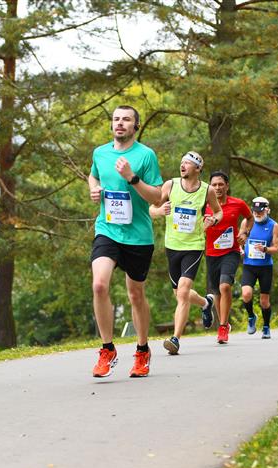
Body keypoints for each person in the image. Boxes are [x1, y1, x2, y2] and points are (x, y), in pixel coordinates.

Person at [88, 105, 163, 378]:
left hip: (138, 235)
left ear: (135, 126)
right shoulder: (100, 153)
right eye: (116, 119)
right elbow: (93, 175)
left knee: (135, 294)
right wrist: (94, 189)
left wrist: (132, 177)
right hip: (107, 229)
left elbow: (157, 197)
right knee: (99, 285)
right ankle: (107, 349)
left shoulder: (146, 155)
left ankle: (142, 350)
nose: (120, 123)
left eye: (126, 120)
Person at [151, 152, 222, 355]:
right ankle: (206, 303)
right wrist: (159, 211)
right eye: (181, 162)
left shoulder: (207, 190)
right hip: (172, 246)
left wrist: (213, 220)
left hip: (194, 246)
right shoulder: (170, 185)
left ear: (198, 168)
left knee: (183, 292)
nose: (182, 165)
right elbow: (151, 209)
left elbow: (218, 211)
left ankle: (175, 339)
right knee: (179, 293)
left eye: (187, 163)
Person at [203, 171, 252, 344]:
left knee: (225, 286)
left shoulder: (237, 203)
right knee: (216, 292)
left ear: (227, 186)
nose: (217, 188)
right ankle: (223, 323)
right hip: (211, 253)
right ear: (210, 187)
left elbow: (250, 217)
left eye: (221, 184)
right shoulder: (204, 205)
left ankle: (223, 327)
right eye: (214, 185)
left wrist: (244, 233)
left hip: (231, 251)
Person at [240, 197, 278, 339]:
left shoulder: (273, 225)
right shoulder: (246, 222)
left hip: (265, 267)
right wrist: (240, 249)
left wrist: (265, 249)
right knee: (246, 294)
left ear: (267, 210)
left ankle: (266, 327)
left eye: (260, 211)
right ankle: (251, 316)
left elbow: (276, 248)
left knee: (264, 301)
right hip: (249, 265)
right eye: (255, 211)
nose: (257, 214)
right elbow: (240, 240)